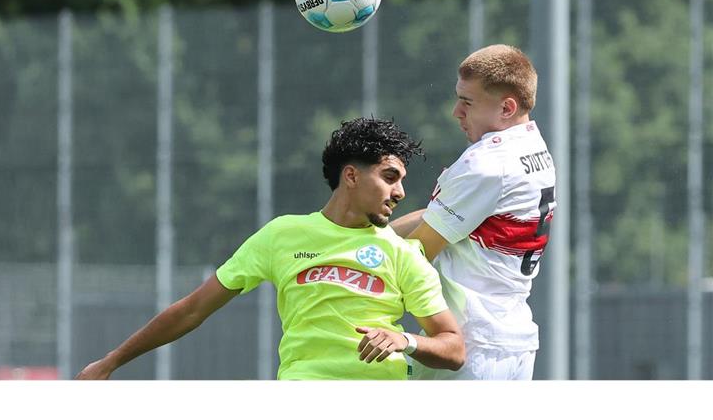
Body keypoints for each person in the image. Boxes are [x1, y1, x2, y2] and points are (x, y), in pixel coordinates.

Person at [76, 117, 465, 380]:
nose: (400, 192)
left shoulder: (402, 253)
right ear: (350, 175)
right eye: (390, 177)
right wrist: (111, 362)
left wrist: (405, 340)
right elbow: (193, 309)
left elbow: (453, 348)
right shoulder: (282, 235)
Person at [392, 44, 556, 380]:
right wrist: (368, 234)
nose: (456, 112)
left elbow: (416, 255)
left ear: (507, 107)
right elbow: (441, 217)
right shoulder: (533, 146)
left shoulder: (487, 164)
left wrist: (345, 260)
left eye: (467, 102)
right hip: (511, 339)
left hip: (473, 345)